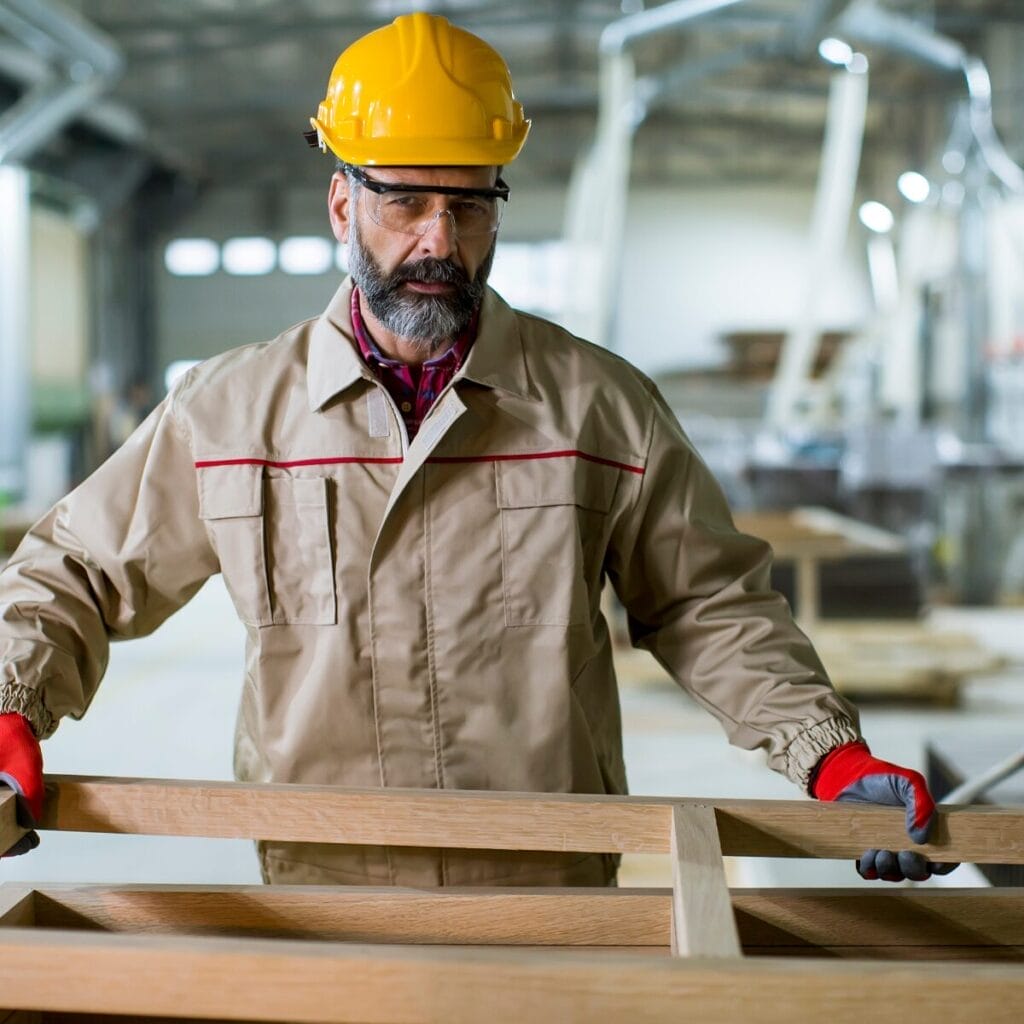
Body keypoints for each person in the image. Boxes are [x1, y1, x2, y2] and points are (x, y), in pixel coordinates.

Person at [0, 11, 952, 885]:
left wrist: (827, 753)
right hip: (327, 886)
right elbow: (76, 569)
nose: (437, 239)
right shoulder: (230, 413)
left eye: (469, 205)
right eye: (404, 202)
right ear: (343, 206)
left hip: (552, 882)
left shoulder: (596, 406)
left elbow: (707, 603)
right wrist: (11, 703)